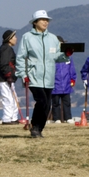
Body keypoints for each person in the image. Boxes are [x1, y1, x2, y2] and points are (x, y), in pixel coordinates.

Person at [16, 10, 70, 138]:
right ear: (35, 22)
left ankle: (39, 129)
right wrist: (23, 74)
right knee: (41, 101)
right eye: (42, 20)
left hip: (49, 77)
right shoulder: (27, 37)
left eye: (47, 20)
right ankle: (35, 127)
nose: (46, 22)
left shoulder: (53, 38)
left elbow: (57, 56)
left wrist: (66, 54)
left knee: (47, 105)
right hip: (33, 76)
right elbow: (20, 57)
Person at [0, 30, 19, 124]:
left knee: (13, 97)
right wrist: (8, 75)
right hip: (4, 78)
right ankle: (7, 119)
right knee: (7, 97)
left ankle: (13, 118)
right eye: (14, 37)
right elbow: (4, 64)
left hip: (8, 77)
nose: (16, 39)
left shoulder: (8, 48)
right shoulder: (5, 49)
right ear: (9, 39)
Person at [51, 36, 77, 124]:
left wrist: (73, 79)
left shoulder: (68, 56)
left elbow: (72, 69)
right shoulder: (52, 57)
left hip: (66, 83)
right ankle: (56, 118)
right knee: (55, 103)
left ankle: (68, 117)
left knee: (67, 102)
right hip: (54, 84)